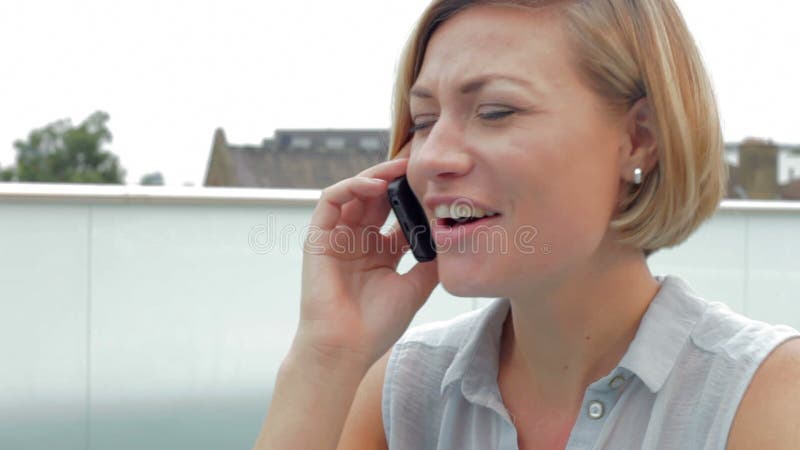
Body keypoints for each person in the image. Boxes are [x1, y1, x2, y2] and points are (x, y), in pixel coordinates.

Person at [254, 1, 800, 449]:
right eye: (423, 122)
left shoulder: (765, 397)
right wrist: (326, 355)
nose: (431, 157)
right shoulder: (402, 396)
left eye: (495, 111)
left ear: (639, 139)